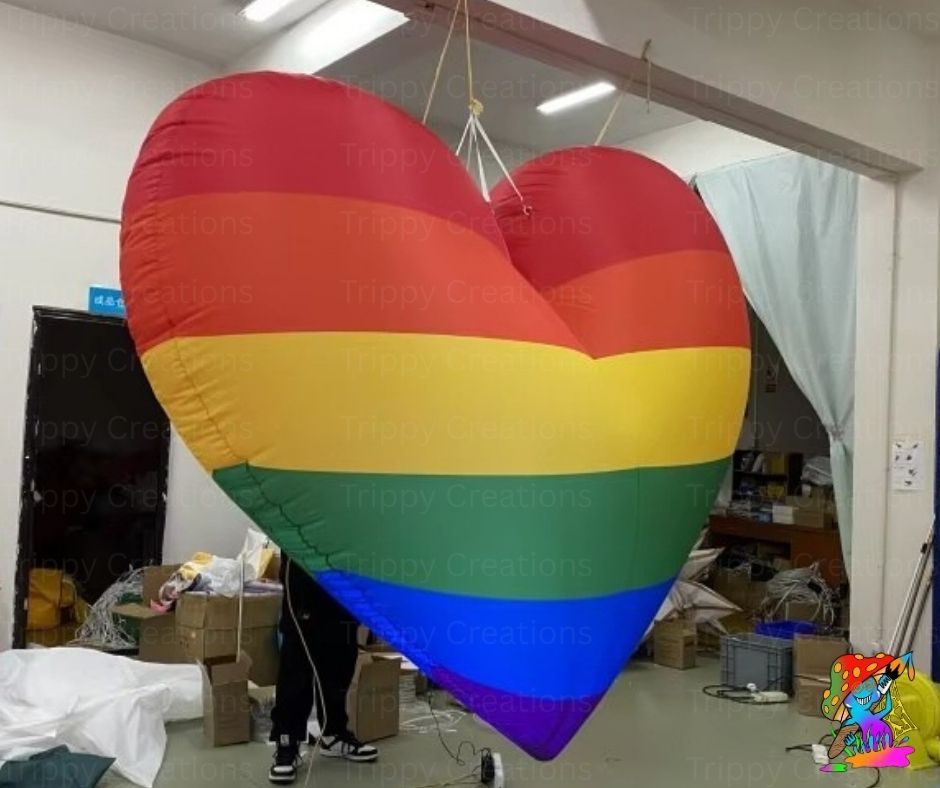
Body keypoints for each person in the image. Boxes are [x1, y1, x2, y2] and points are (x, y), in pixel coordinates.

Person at [269, 557, 378, 784]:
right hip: (304, 575)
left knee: (340, 661)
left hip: (342, 571)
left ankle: (334, 733)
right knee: (297, 669)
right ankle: (287, 742)